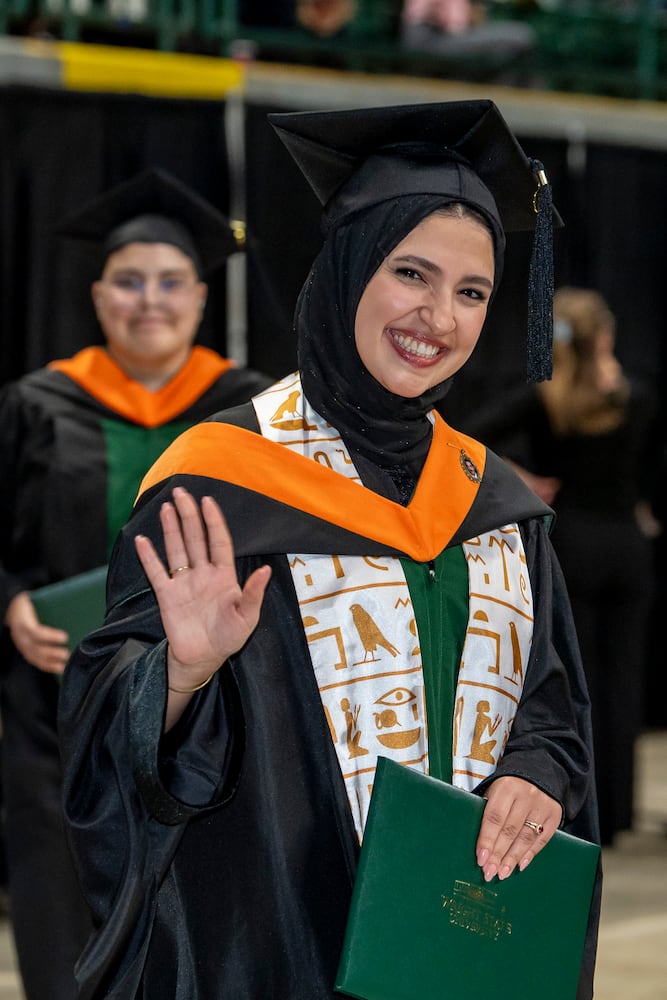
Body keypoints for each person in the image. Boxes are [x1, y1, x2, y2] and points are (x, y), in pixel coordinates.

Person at [58, 102, 600, 1000]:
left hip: (460, 939)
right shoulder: (219, 482)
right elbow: (101, 742)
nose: (438, 317)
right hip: (278, 937)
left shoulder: (492, 500)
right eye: (410, 273)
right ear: (347, 269)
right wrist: (182, 678)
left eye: (471, 292)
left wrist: (538, 774)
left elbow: (549, 701)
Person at [0, 166, 272, 1000]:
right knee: (59, 906)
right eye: (128, 282)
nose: (148, 301)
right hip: (55, 710)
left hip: (210, 714)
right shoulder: (39, 403)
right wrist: (9, 603)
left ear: (199, 296)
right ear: (97, 294)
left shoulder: (249, 413)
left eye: (169, 282)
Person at [464, 286, 660, 845]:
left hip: (573, 544)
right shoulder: (637, 396)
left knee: (580, 683)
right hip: (628, 548)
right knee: (624, 680)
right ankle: (620, 815)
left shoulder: (545, 399)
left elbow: (466, 435)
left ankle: (585, 811)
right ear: (607, 335)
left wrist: (518, 479)